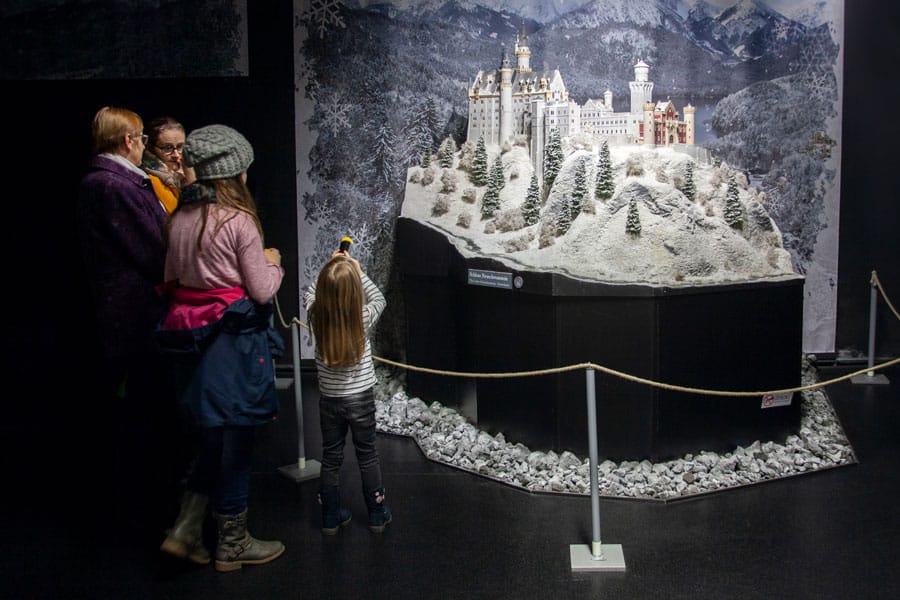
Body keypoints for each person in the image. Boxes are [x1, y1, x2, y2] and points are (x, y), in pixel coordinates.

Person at [155, 124, 286, 572]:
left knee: (209, 440)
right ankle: (232, 542)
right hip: (233, 346)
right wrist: (273, 263)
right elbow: (262, 290)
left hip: (189, 342)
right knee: (238, 441)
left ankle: (185, 530)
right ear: (235, 172)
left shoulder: (178, 220)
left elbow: (172, 279)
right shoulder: (237, 222)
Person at [76, 105, 178, 535]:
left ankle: (144, 501)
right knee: (143, 408)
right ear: (128, 140)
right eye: (142, 139)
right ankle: (144, 508)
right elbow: (150, 247)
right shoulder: (111, 185)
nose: (143, 146)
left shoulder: (116, 181)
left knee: (143, 405)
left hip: (136, 309)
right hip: (134, 313)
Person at [305, 248, 391, 534]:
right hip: (361, 399)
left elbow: (310, 292)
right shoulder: (361, 316)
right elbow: (379, 298)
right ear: (355, 291)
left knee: (331, 456)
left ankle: (330, 516)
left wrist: (331, 265)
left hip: (330, 400)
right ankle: (377, 513)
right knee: (367, 454)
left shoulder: (316, 315)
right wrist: (356, 270)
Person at [141, 116, 193, 214]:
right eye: (168, 148)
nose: (176, 155)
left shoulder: (187, 172)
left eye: (180, 147)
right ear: (150, 149)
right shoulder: (148, 181)